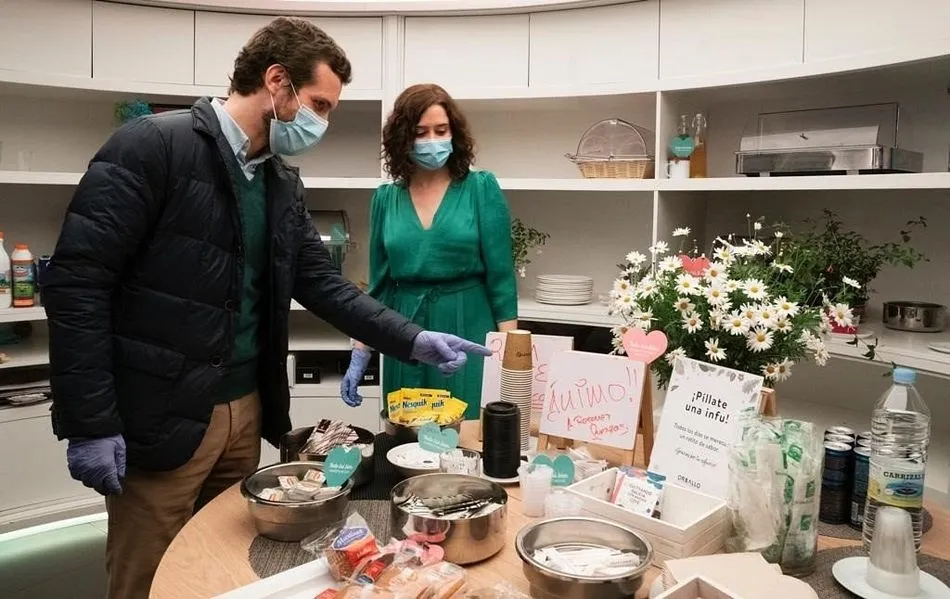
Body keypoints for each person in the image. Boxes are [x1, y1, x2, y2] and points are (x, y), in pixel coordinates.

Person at [43, 18, 489, 599]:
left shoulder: (279, 181)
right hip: (162, 412)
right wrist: (91, 422)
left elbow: (324, 285)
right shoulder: (154, 146)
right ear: (277, 82)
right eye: (319, 105)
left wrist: (409, 339)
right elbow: (79, 284)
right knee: (148, 576)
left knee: (226, 566)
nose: (322, 122)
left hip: (245, 411)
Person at [340, 84, 518, 420]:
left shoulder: (480, 188)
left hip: (467, 323)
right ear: (403, 139)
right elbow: (378, 284)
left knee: (464, 434)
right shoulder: (385, 198)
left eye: (441, 130)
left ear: (455, 133)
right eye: (420, 132)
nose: (432, 140)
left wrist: (512, 354)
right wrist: (361, 348)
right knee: (407, 435)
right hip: (404, 329)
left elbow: (501, 278)